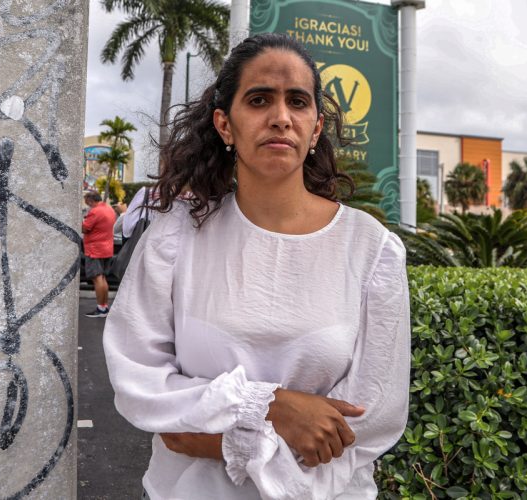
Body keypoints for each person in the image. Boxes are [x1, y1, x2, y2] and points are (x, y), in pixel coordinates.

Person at [103, 33, 410, 499]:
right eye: (260, 99)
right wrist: (272, 408)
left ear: (316, 126)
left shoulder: (372, 249)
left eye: (298, 102)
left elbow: (366, 422)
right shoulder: (176, 235)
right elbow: (143, 389)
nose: (281, 118)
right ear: (225, 125)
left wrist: (215, 429)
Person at [82, 190, 116, 318]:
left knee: (97, 279)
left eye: (87, 202)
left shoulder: (95, 211)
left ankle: (101, 309)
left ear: (90, 200)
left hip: (94, 249)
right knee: (103, 278)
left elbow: (84, 228)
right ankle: (104, 306)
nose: (87, 205)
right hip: (107, 248)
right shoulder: (108, 209)